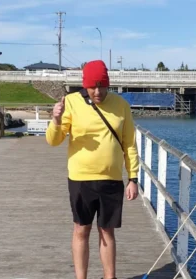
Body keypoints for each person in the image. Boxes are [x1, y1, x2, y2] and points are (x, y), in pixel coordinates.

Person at [45, 60, 139, 279]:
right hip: (80, 179)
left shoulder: (121, 104)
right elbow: (53, 141)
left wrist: (133, 178)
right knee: (81, 229)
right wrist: (56, 119)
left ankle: (109, 277)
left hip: (111, 179)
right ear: (84, 85)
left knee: (107, 231)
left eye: (102, 86)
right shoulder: (71, 102)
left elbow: (129, 144)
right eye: (92, 87)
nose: (97, 92)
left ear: (108, 84)